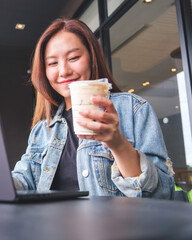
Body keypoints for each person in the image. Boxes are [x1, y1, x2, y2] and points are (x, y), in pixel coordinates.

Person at [11, 18, 175, 198]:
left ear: (92, 58)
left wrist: (118, 145)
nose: (63, 71)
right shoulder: (42, 130)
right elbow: (22, 180)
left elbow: (163, 193)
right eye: (52, 63)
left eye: (73, 58)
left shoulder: (133, 109)